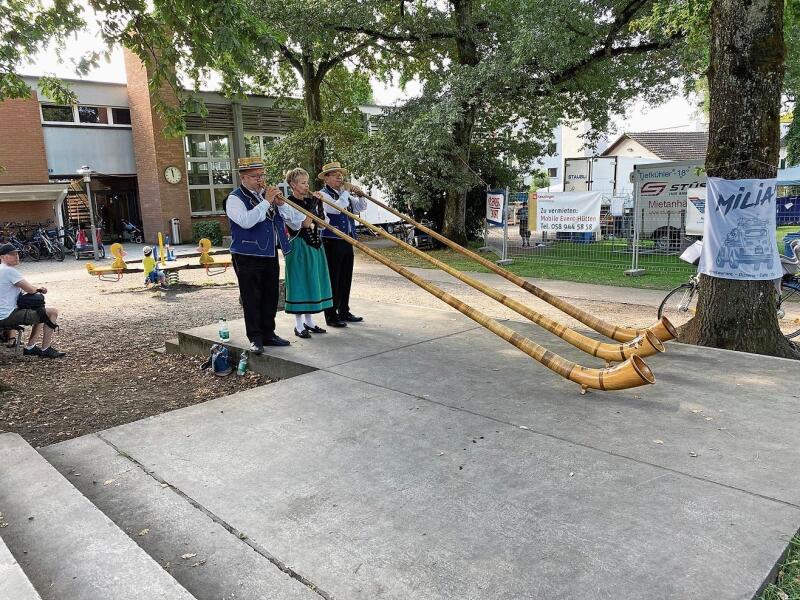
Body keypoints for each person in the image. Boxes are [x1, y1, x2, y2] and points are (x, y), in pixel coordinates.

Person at [226, 157, 292, 354]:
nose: (260, 179)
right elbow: (246, 221)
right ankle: (255, 337)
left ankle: (269, 334)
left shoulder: (265, 196)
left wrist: (280, 204)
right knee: (251, 297)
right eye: (255, 176)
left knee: (270, 295)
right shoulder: (234, 198)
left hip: (269, 253)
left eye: (262, 175)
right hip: (246, 254)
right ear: (243, 177)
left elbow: (291, 219)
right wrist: (266, 202)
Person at [282, 167, 334, 338]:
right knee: (301, 283)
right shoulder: (287, 202)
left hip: (315, 246)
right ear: (292, 184)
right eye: (303, 183)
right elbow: (304, 224)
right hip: (299, 246)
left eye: (307, 182)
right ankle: (298, 325)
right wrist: (313, 203)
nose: (307, 186)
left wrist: (318, 203)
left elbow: (323, 223)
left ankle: (309, 322)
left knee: (312, 282)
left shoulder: (308, 201)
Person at [317, 162, 368, 328]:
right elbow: (336, 209)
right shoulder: (323, 194)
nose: (340, 177)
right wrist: (346, 192)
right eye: (335, 174)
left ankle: (344, 310)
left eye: (341, 174)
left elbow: (361, 207)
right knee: (333, 278)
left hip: (347, 239)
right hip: (331, 240)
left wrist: (361, 195)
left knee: (346, 277)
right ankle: (331, 315)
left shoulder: (343, 193)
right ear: (326, 178)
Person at [0, 243, 65, 358]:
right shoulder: (9, 271)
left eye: (17, 253)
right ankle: (45, 349)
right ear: (2, 257)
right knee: (52, 312)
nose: (16, 256)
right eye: (12, 254)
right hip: (7, 315)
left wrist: (36, 289)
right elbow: (29, 289)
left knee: (40, 311)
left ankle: (30, 347)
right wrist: (38, 289)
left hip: (3, 313)